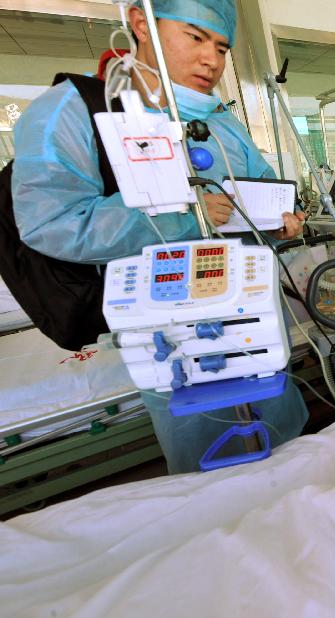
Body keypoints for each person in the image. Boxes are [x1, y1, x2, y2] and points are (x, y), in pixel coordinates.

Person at [11, 0, 308, 473]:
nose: (212, 59)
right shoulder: (72, 110)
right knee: (207, 462)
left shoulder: (222, 121)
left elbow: (261, 190)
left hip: (252, 321)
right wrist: (183, 216)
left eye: (222, 46)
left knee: (287, 443)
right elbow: (50, 222)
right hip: (167, 329)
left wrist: (279, 218)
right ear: (140, 22)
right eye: (195, 37)